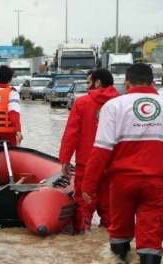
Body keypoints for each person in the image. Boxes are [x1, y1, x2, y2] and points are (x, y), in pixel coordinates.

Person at [82, 63, 163, 263]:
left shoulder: (114, 106)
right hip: (157, 182)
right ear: (153, 83)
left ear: (126, 83)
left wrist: (89, 183)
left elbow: (102, 149)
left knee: (119, 230)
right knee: (152, 236)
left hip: (121, 182)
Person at [58, 68, 120, 235]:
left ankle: (82, 239)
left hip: (86, 163)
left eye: (88, 82)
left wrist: (64, 159)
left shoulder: (82, 103)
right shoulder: (121, 103)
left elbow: (72, 133)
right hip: (114, 165)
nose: (87, 87)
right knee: (110, 209)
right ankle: (107, 243)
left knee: (84, 206)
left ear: (97, 82)